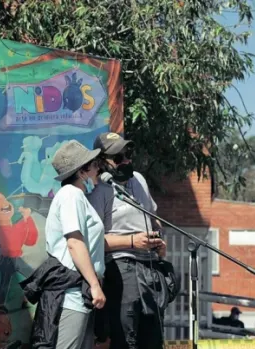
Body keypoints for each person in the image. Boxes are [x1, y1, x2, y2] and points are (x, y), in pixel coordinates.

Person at [91, 132, 171, 349]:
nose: (126, 160)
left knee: (153, 338)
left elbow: (154, 219)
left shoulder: (140, 179)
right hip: (122, 268)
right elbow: (94, 242)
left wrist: (158, 239)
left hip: (150, 266)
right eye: (118, 158)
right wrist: (133, 242)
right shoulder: (99, 193)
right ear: (101, 162)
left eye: (128, 154)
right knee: (127, 339)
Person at [44, 140, 106, 349]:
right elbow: (74, 242)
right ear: (82, 171)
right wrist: (95, 285)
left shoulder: (76, 196)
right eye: (94, 164)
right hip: (73, 293)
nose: (98, 168)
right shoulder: (72, 195)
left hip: (81, 291)